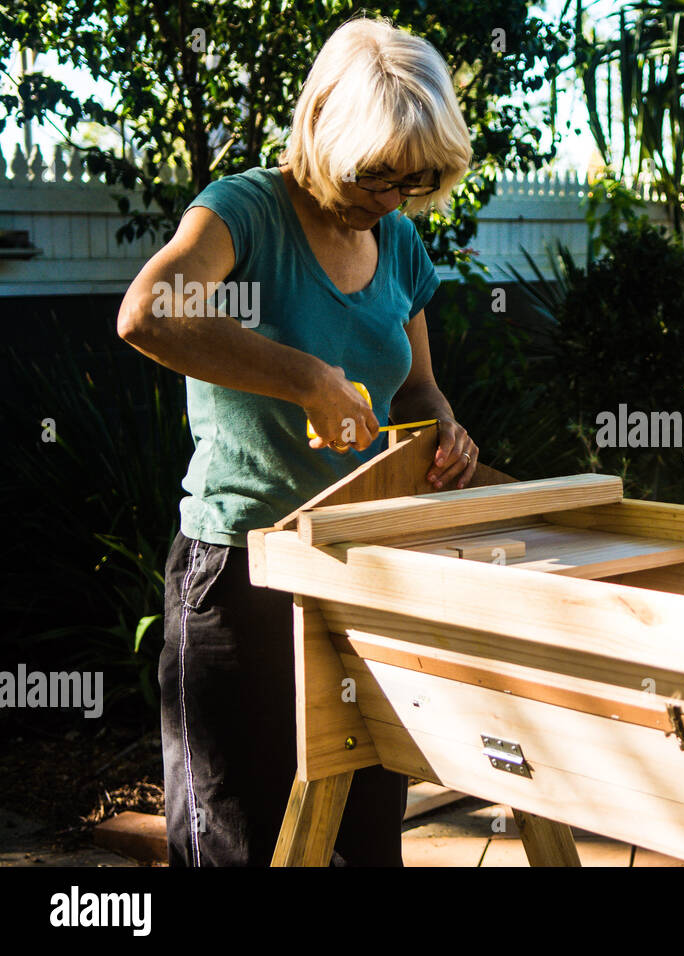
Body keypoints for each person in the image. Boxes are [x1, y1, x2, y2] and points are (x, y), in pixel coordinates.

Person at [117, 16, 477, 866]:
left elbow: (418, 387)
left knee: (360, 839)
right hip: (240, 573)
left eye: (412, 183)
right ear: (323, 126)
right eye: (376, 175)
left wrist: (447, 433)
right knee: (236, 839)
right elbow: (146, 314)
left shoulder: (397, 239)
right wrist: (305, 378)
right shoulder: (243, 210)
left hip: (357, 571)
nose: (389, 200)